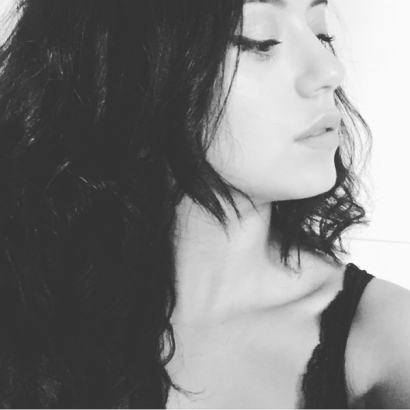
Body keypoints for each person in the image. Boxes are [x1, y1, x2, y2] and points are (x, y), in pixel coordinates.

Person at [0, 0, 409, 408]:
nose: (330, 70)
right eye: (260, 40)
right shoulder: (24, 302)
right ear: (130, 67)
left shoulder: (387, 341)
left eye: (321, 33)